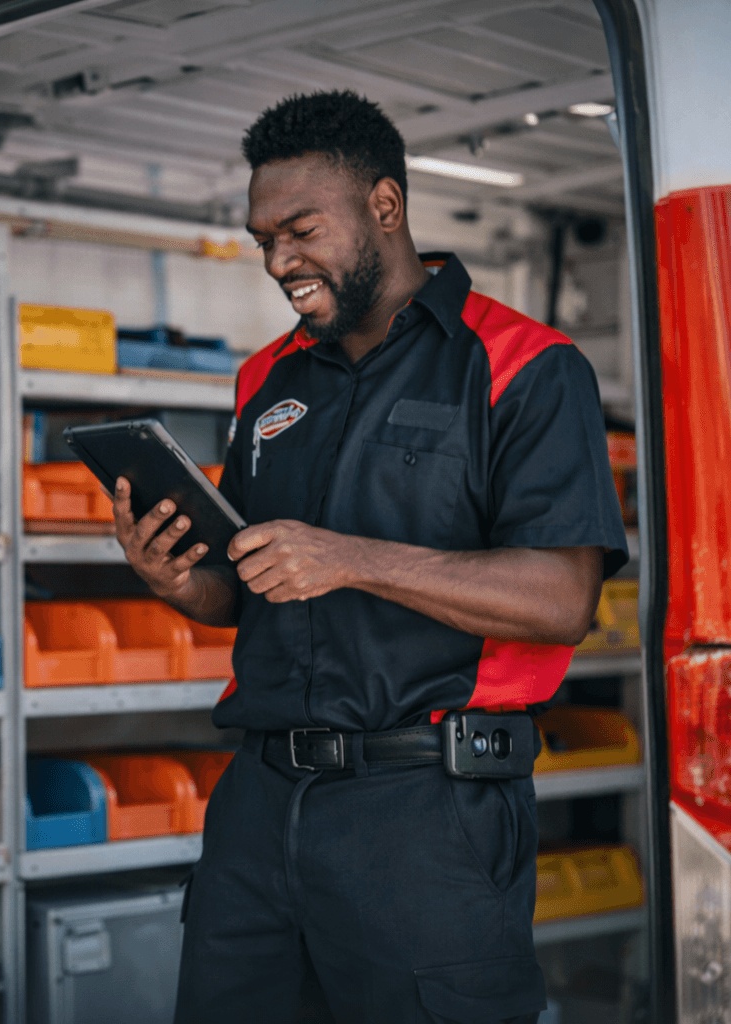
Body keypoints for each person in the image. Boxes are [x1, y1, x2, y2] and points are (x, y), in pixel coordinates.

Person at [111, 91, 629, 1023]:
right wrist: (182, 581)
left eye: (301, 230)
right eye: (263, 237)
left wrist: (352, 559)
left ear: (384, 206)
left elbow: (560, 599)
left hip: (426, 816)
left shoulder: (525, 365)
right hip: (260, 807)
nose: (279, 262)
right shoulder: (266, 377)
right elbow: (253, 588)